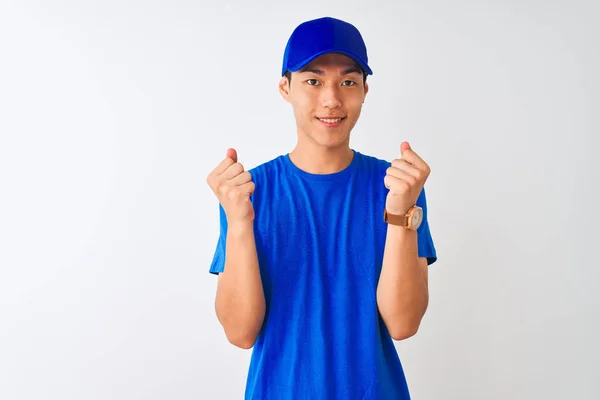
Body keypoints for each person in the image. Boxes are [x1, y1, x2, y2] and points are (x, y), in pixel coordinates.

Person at [206, 16, 438, 400]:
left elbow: (403, 323)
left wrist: (400, 216)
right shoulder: (248, 192)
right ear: (286, 88)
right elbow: (240, 333)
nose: (331, 99)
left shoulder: (398, 187)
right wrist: (240, 223)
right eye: (313, 81)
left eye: (347, 82)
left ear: (365, 90)